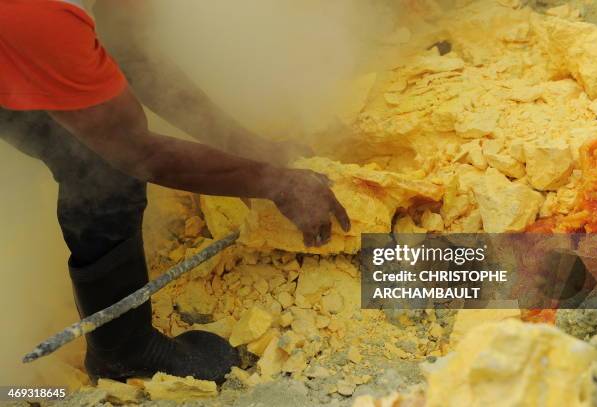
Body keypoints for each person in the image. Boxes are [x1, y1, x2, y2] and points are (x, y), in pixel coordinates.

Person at [0, 0, 350, 383]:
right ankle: (124, 355)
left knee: (98, 148)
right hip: (19, 30)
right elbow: (135, 151)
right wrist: (276, 184)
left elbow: (130, 51)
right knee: (98, 168)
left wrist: (247, 147)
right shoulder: (39, 15)